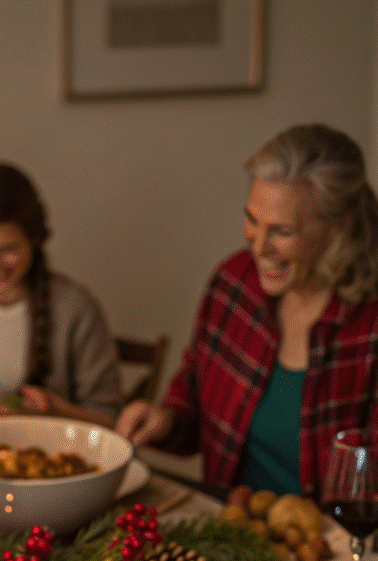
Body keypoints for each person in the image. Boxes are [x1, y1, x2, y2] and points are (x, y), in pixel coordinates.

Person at [116, 124, 378, 499]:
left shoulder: (369, 325)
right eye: (253, 220)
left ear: (338, 228)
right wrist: (165, 418)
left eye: (282, 231)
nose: (258, 247)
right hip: (230, 523)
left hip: (328, 534)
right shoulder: (232, 284)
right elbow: (192, 395)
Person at [0, 162, 121, 426]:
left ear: (34, 239)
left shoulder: (75, 309)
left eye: (8, 249)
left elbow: (110, 420)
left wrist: (56, 410)